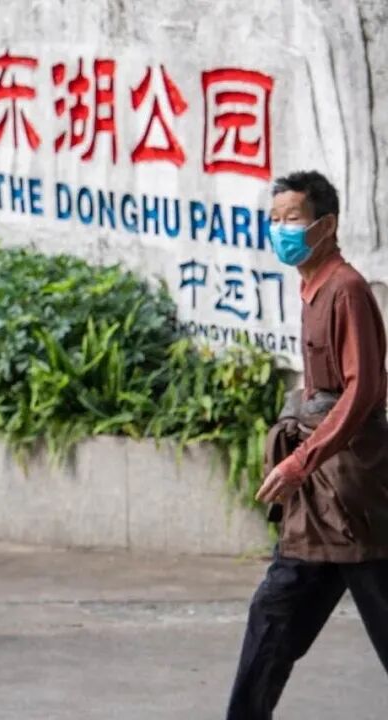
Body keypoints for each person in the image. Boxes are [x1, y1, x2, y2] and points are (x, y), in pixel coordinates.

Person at [227, 170, 388, 718]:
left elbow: (362, 390)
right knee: (272, 617)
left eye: (292, 218)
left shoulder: (346, 289)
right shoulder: (313, 286)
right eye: (274, 220)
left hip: (352, 496)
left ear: (326, 225)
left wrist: (300, 460)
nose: (281, 230)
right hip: (320, 500)